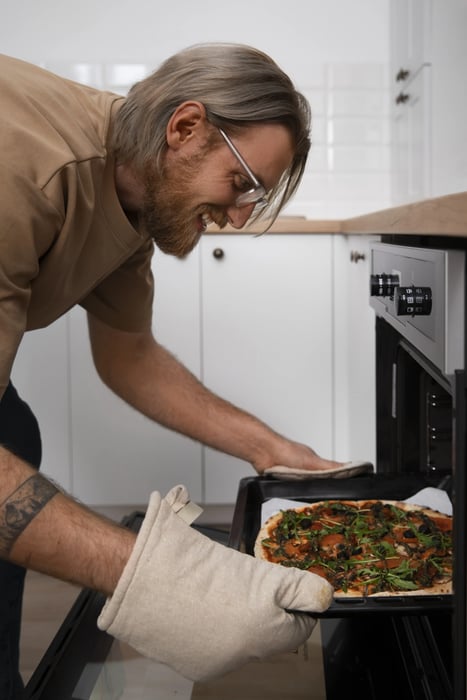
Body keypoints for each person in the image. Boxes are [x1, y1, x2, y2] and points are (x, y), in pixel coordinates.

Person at [0, 43, 368, 698]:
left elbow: (128, 354)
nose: (237, 217)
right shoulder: (26, 173)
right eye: (243, 185)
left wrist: (271, 450)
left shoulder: (135, 188)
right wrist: (177, 581)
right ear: (186, 128)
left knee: (14, 430)